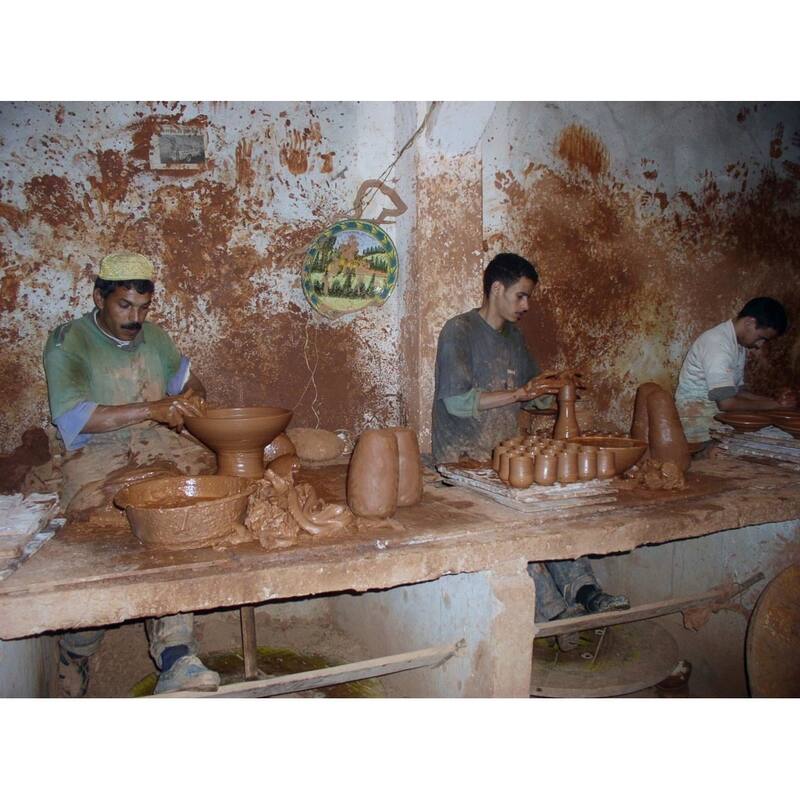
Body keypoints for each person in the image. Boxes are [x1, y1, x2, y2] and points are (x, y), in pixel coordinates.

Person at [43, 251, 220, 696]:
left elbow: (189, 384)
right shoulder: (68, 342)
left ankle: (176, 654)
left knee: (181, 517)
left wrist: (191, 399)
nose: (135, 318)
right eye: (125, 306)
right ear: (99, 296)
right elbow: (76, 418)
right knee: (107, 536)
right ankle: (78, 647)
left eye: (143, 308)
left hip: (158, 447)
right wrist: (154, 408)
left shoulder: (155, 338)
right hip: (96, 456)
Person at [431, 252, 629, 649]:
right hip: (463, 461)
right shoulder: (459, 331)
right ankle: (554, 612)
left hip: (506, 457)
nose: (526, 306)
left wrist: (554, 388)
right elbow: (456, 401)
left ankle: (586, 591)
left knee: (551, 511)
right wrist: (521, 392)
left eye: (528, 298)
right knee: (519, 524)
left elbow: (530, 397)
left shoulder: (514, 338)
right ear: (496, 289)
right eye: (521, 296)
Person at [675, 297, 794, 445]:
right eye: (761, 338)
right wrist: (774, 405)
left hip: (715, 421)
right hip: (696, 426)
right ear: (749, 323)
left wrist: (775, 402)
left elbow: (737, 392)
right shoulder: (717, 344)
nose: (760, 345)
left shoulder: (738, 344)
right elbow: (727, 403)